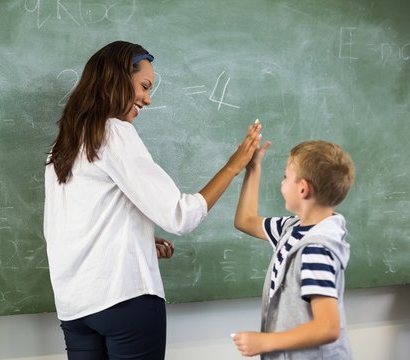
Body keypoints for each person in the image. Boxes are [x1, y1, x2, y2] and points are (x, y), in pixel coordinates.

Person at [43, 40, 262, 360]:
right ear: (118, 78)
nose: (148, 98)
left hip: (75, 308)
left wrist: (139, 238)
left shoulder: (61, 147)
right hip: (124, 301)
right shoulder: (114, 132)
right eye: (144, 86)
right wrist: (234, 165)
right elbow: (181, 216)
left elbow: (72, 227)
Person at [232, 139, 355, 359]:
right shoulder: (291, 228)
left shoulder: (316, 249)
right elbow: (245, 220)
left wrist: (265, 342)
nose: (282, 182)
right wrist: (253, 167)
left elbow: (328, 327)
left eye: (285, 177)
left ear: (303, 188)